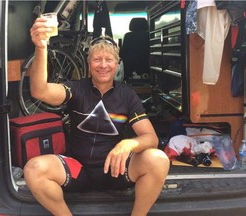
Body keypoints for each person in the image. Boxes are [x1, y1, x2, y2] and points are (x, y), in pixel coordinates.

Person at [24, 16, 170, 216]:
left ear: (117, 63)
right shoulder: (76, 88)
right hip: (77, 170)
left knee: (159, 159)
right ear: (89, 62)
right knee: (34, 169)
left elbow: (151, 139)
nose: (103, 65)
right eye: (97, 59)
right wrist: (41, 47)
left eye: (109, 59)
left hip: (114, 170)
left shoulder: (127, 94)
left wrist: (127, 145)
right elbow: (40, 91)